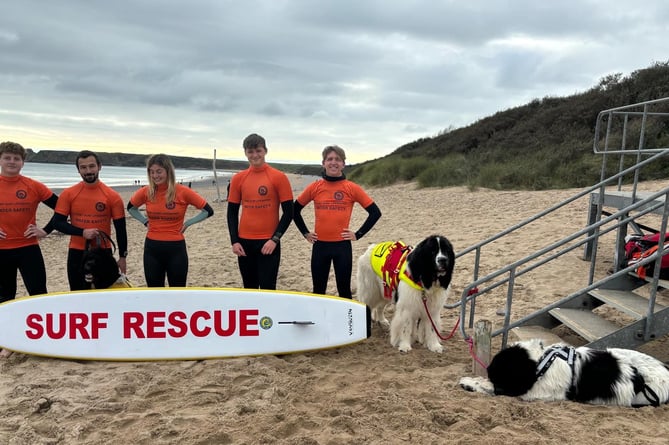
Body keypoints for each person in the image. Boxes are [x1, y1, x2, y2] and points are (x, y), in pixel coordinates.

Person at [293, 145, 381, 299]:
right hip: (320, 245)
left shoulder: (351, 188)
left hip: (342, 246)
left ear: (343, 164)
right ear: (323, 163)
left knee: (344, 290)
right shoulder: (315, 187)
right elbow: (294, 210)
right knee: (318, 290)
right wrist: (305, 233)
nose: (333, 162)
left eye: (338, 159)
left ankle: (344, 322)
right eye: (330, 159)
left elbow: (375, 212)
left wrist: (357, 234)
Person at [127, 154, 214, 287]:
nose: (155, 175)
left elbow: (208, 211)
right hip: (152, 249)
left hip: (176, 250)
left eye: (159, 171)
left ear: (168, 171)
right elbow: (131, 208)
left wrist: (188, 224)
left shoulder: (182, 191)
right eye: (152, 172)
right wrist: (145, 221)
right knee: (154, 293)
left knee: (177, 293)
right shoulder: (146, 191)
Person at [52, 150, 128, 291]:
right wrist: (82, 232)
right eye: (83, 167)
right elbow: (58, 223)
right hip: (77, 251)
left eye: (92, 166)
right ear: (78, 170)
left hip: (103, 252)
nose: (88, 171)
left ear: (99, 166)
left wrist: (123, 256)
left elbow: (121, 229)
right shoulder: (68, 194)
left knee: (105, 294)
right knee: (77, 293)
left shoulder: (112, 196)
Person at [227, 133, 293, 289]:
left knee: (268, 289)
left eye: (258, 150)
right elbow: (231, 213)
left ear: (265, 151)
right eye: (250, 151)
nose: (255, 155)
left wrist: (274, 239)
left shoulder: (278, 177)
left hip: (268, 242)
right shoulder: (238, 179)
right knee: (249, 288)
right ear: (245, 153)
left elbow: (289, 212)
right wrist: (234, 241)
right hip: (244, 242)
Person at [0, 142, 58, 300]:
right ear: (0, 160)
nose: (12, 161)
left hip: (28, 248)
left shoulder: (33, 186)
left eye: (16, 158)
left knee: (38, 294)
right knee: (5, 296)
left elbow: (61, 209)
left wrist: (45, 230)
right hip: (2, 250)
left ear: (22, 163)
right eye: (7, 158)